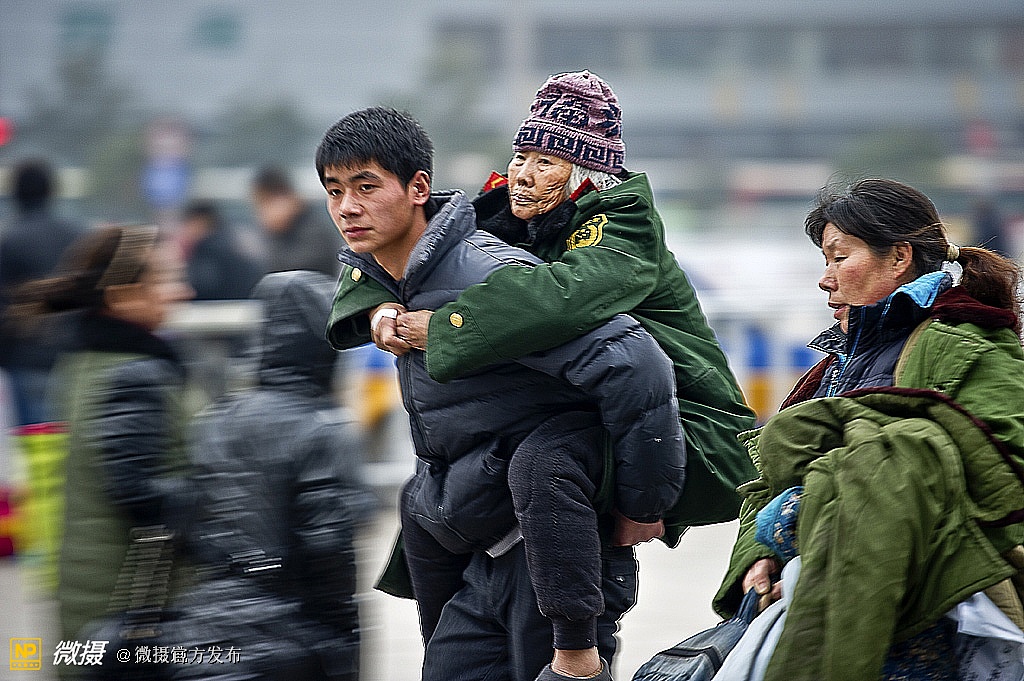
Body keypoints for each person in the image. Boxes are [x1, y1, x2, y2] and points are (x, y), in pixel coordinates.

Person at [319, 106, 686, 681]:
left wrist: (644, 505)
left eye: (366, 187)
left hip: (550, 555)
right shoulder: (392, 283)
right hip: (478, 558)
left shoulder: (488, 274)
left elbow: (637, 364)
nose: (347, 207)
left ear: (419, 189)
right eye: (334, 190)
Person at [369, 70, 757, 536]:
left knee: (544, 470)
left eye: (546, 162)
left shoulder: (624, 225)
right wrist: (379, 305)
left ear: (584, 178)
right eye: (519, 157)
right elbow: (414, 241)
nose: (523, 175)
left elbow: (560, 297)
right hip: (595, 417)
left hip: (688, 429)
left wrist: (445, 328)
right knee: (432, 511)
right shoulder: (505, 214)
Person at [712, 178, 1024, 679]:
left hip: (930, 615)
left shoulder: (966, 344)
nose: (825, 279)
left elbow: (1005, 475)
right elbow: (766, 481)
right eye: (824, 261)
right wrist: (758, 556)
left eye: (839, 257)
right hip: (815, 594)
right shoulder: (833, 364)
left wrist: (844, 519)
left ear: (899, 257)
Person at [160, 270, 376, 681]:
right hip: (290, 641)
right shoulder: (322, 429)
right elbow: (330, 553)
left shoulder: (216, 420)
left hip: (205, 635)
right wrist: (343, 649)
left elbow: (189, 525)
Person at [7, 224, 195, 660]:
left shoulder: (87, 362)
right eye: (166, 279)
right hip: (129, 619)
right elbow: (140, 494)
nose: (182, 292)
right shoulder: (135, 375)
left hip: (94, 607)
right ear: (121, 296)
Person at [0, 158, 85, 425]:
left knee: (36, 438)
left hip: (26, 358)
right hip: (74, 356)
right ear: (52, 191)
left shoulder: (10, 240)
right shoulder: (78, 235)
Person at [251, 165, 342, 277]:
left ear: (283, 197)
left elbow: (296, 268)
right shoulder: (274, 234)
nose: (262, 214)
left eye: (265, 204)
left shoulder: (313, 231)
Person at [177, 199, 263, 301]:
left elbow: (204, 284)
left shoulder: (210, 248)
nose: (186, 230)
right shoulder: (230, 240)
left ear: (201, 221)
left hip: (223, 305)